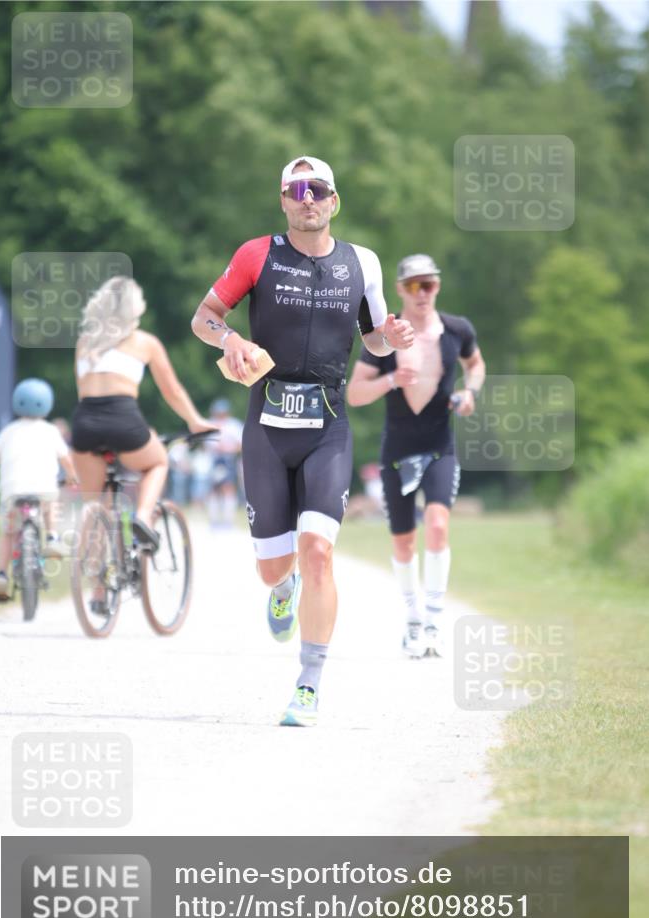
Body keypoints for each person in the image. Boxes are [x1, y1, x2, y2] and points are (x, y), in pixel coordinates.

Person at [191, 155, 413, 726]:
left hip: (328, 431)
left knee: (319, 552)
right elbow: (205, 316)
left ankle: (308, 684)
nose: (307, 197)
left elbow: (377, 341)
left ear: (334, 201)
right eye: (296, 189)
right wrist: (229, 340)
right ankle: (280, 587)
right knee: (274, 568)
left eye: (318, 189)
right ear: (284, 201)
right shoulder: (256, 254)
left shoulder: (361, 263)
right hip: (266, 428)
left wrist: (389, 337)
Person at [347, 254, 486, 658]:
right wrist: (391, 379)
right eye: (412, 285)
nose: (421, 293)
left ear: (437, 287)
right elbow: (355, 394)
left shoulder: (457, 329)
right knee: (405, 542)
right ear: (399, 289)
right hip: (397, 451)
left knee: (439, 525)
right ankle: (412, 621)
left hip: (440, 445)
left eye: (428, 285)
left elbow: (475, 366)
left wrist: (469, 393)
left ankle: (434, 622)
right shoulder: (386, 337)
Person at [71, 276, 214, 553]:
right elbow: (172, 392)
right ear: (135, 308)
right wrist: (195, 422)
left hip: (84, 422)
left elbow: (82, 391)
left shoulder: (85, 341)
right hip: (122, 418)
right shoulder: (144, 342)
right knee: (157, 462)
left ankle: (98, 590)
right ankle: (143, 516)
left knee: (96, 503)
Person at [0, 379, 78, 601]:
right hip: (44, 490)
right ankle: (52, 538)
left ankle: (2, 574)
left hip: (12, 492)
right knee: (50, 503)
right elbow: (65, 459)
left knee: (9, 533)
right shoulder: (51, 430)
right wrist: (72, 477)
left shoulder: (8, 431)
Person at [204, 398, 243, 528]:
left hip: (228, 458)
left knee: (228, 488)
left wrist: (228, 448)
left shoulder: (233, 425)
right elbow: (206, 444)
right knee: (214, 489)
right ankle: (214, 519)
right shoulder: (210, 424)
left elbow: (240, 444)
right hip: (215, 459)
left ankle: (228, 520)